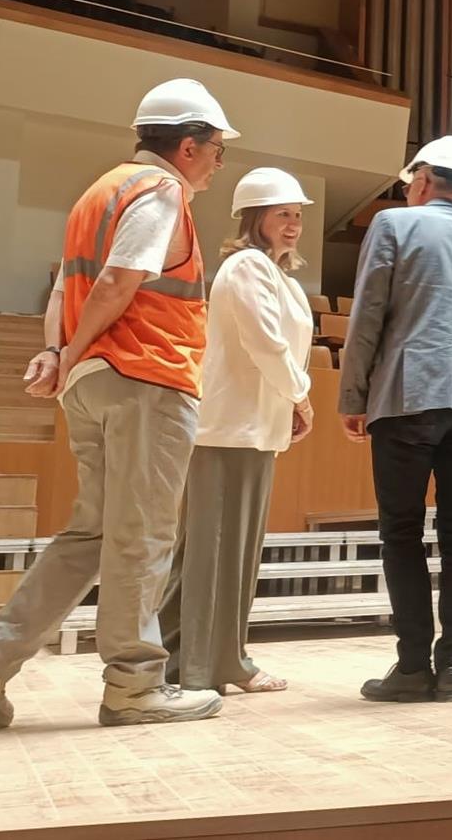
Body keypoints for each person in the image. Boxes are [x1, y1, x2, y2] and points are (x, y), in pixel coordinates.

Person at [0, 78, 238, 728]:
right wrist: (72, 351)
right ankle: (135, 683)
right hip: (147, 377)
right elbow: (116, 280)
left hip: (95, 384)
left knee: (92, 534)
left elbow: (63, 286)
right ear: (187, 146)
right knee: (144, 534)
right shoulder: (161, 191)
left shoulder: (97, 192)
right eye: (217, 148)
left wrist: (58, 354)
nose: (220, 161)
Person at [339, 136, 452, 704]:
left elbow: (368, 314)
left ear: (420, 180)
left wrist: (353, 395)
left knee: (401, 530)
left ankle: (413, 667)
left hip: (407, 395)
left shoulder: (394, 225)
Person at [159, 168, 316, 695]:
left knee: (225, 550)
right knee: (215, 550)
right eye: (281, 215)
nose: (293, 224)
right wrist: (301, 395)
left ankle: (198, 659)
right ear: (256, 219)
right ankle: (207, 665)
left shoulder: (279, 276)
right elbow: (265, 343)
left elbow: (280, 350)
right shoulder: (246, 267)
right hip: (229, 430)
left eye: (297, 215)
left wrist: (289, 399)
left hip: (253, 430)